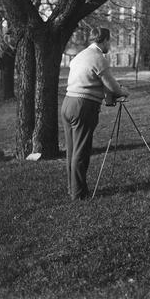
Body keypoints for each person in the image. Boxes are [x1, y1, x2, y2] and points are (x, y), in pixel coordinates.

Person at [61, 27, 129, 200]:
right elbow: (112, 86)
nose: (110, 45)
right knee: (81, 152)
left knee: (72, 150)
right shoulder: (98, 58)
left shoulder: (79, 56)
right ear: (104, 40)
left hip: (68, 103)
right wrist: (123, 91)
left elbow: (96, 82)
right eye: (109, 41)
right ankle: (79, 194)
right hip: (83, 105)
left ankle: (73, 189)